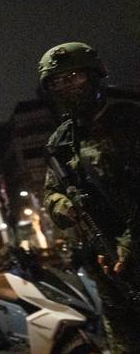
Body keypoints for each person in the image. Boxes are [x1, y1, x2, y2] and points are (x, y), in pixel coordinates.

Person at [39, 41, 140, 352]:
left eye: (74, 77)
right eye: (58, 81)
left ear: (95, 75)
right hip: (108, 267)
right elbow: (51, 194)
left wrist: (127, 245)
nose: (67, 87)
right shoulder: (62, 140)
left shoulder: (131, 119)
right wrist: (65, 206)